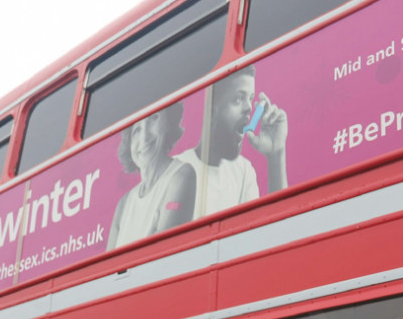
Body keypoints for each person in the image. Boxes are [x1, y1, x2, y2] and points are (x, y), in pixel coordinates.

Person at [178, 65, 288, 217]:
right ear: (213, 111)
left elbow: (271, 233)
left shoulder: (243, 171)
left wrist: (276, 154)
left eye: (250, 99)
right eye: (238, 99)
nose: (249, 108)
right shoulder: (175, 170)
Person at [108, 101, 196, 249]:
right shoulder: (124, 204)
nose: (144, 138)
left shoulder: (181, 176)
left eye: (153, 119)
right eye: (136, 130)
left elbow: (161, 250)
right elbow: (108, 266)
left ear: (168, 123)